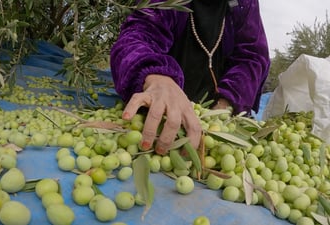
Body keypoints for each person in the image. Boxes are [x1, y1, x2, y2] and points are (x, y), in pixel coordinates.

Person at [110, 0, 270, 155]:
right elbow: (138, 34)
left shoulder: (245, 4)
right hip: (160, 108)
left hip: (211, 116)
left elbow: (252, 55)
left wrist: (225, 105)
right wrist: (155, 76)